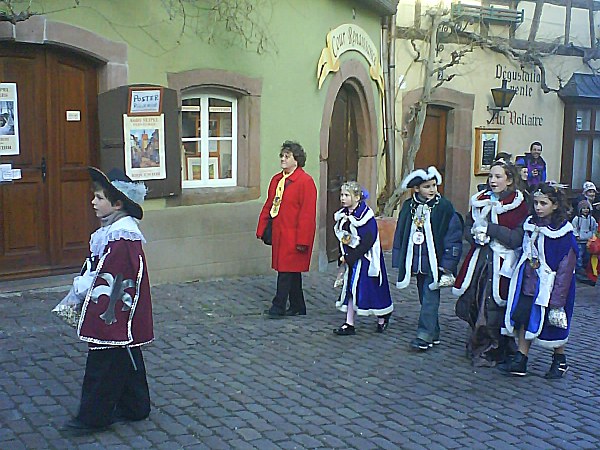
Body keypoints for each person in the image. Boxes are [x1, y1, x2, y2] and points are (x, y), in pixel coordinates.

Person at [58, 167, 153, 434]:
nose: (93, 202)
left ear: (118, 203)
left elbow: (109, 276)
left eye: (100, 198)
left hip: (113, 310)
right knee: (126, 350)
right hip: (118, 308)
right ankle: (136, 405)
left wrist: (80, 288)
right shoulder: (113, 232)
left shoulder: (122, 237)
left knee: (104, 357)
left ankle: (93, 417)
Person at [453, 161, 529, 366]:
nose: (493, 181)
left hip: (502, 263)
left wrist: (491, 229)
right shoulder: (480, 200)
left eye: (498, 177)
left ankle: (494, 347)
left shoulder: (519, 205)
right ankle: (480, 343)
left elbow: (516, 238)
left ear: (510, 180)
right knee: (475, 302)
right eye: (491, 177)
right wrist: (475, 236)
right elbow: (468, 225)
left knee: (495, 305)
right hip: (480, 261)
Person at [500, 183, 577, 378]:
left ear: (555, 205)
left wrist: (558, 300)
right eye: (536, 203)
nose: (538, 207)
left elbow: (566, 267)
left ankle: (559, 360)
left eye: (543, 203)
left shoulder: (563, 232)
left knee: (554, 324)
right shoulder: (530, 224)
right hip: (529, 281)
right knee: (524, 317)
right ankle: (521, 358)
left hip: (555, 285)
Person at [392, 166, 463, 351]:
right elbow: (401, 233)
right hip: (417, 262)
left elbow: (453, 236)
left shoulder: (444, 207)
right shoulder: (409, 207)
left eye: (434, 185)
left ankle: (424, 335)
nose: (432, 190)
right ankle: (434, 331)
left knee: (431, 298)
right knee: (424, 298)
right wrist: (399, 259)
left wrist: (448, 264)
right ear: (416, 189)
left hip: (435, 263)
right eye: (427, 186)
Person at [257, 141, 317, 318]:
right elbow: (270, 204)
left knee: (285, 271)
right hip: (280, 232)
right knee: (292, 271)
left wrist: (303, 241)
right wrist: (262, 227)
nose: (283, 159)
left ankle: (278, 306)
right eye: (282, 156)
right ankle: (298, 305)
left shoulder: (305, 182)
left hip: (294, 235)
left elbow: (307, 215)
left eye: (287, 156)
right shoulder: (277, 180)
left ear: (296, 160)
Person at [332, 181, 393, 335]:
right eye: (342, 195)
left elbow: (369, 239)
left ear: (357, 197)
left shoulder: (366, 216)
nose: (343, 198)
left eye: (347, 195)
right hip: (352, 258)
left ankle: (382, 316)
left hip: (366, 259)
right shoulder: (344, 215)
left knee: (371, 289)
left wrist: (352, 256)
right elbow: (344, 237)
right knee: (351, 289)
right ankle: (349, 322)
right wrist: (343, 255)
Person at [572, 199, 597, 282]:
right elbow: (574, 228)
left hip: (588, 240)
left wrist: (593, 236)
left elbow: (594, 228)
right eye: (583, 208)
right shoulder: (576, 219)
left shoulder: (591, 219)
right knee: (579, 255)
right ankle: (579, 269)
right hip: (579, 240)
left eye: (587, 208)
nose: (585, 210)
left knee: (587, 255)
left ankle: (586, 269)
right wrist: (576, 235)